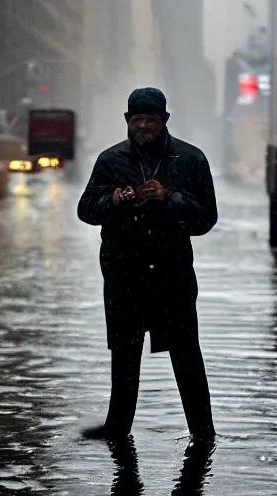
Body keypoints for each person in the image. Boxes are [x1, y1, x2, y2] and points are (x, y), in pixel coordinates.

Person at [77, 87, 217, 444]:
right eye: (136, 119)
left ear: (164, 120)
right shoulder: (111, 161)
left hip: (173, 275)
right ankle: (116, 428)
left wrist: (169, 198)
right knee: (124, 354)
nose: (142, 126)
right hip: (124, 274)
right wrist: (116, 198)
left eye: (150, 119)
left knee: (186, 353)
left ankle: (203, 432)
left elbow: (206, 219)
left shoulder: (189, 160)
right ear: (127, 121)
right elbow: (86, 209)